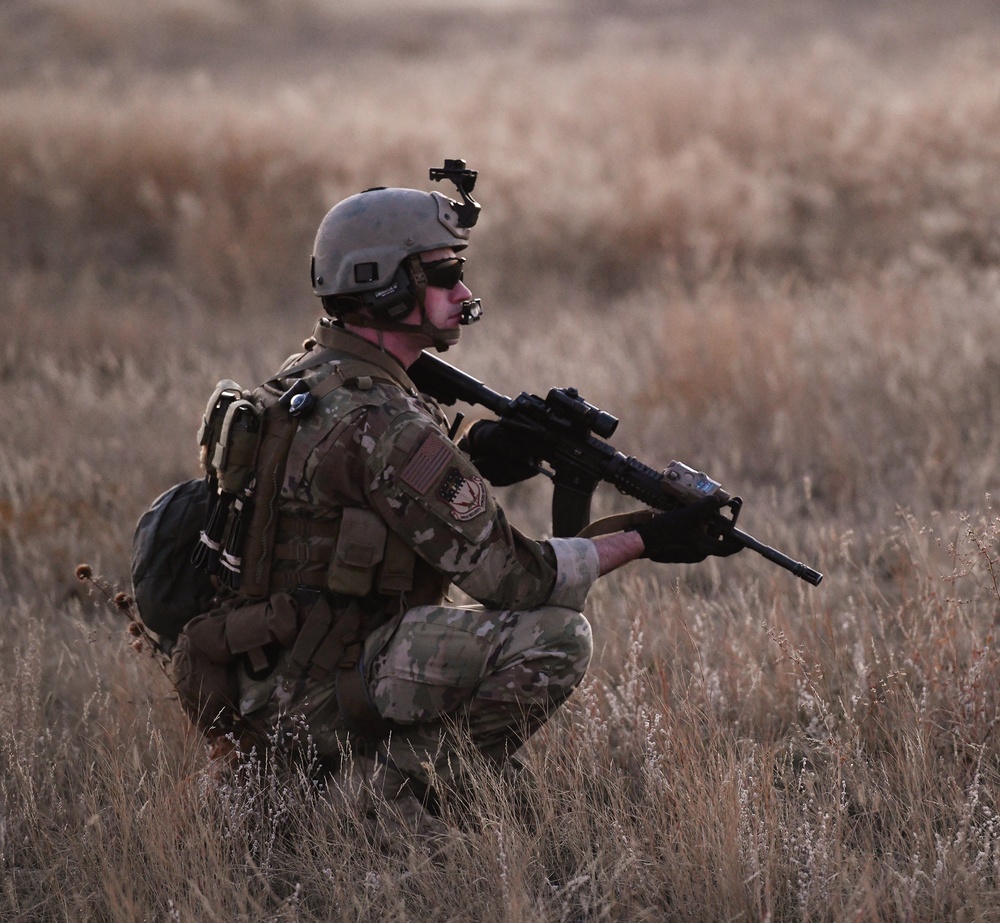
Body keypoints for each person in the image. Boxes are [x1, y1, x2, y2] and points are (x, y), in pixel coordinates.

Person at [190, 166, 741, 823]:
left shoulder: (310, 374)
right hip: (322, 690)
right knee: (558, 638)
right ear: (386, 286)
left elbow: (365, 496)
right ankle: (375, 793)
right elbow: (518, 583)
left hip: (267, 672)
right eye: (444, 275)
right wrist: (648, 536)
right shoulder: (388, 422)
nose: (464, 291)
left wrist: (477, 452)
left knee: (514, 788)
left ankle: (310, 773)